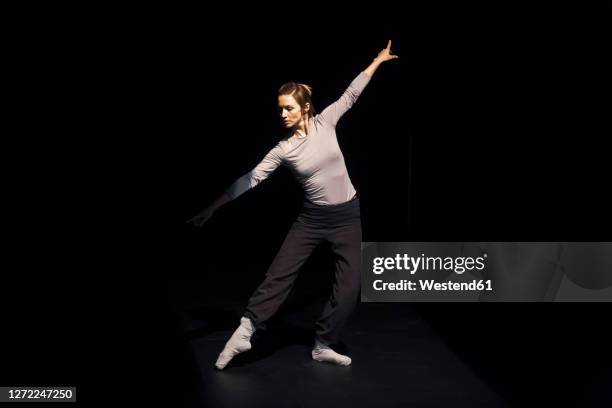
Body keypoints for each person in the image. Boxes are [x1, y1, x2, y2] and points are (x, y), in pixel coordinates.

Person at [187, 40, 399, 369]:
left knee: (349, 286)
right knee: (279, 276)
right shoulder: (283, 150)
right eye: (280, 108)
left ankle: (323, 343)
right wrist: (213, 207)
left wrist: (377, 61)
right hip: (312, 219)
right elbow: (250, 179)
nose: (283, 114)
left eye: (289, 108)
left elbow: (352, 93)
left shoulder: (326, 121)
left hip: (347, 216)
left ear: (305, 107)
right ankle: (245, 331)